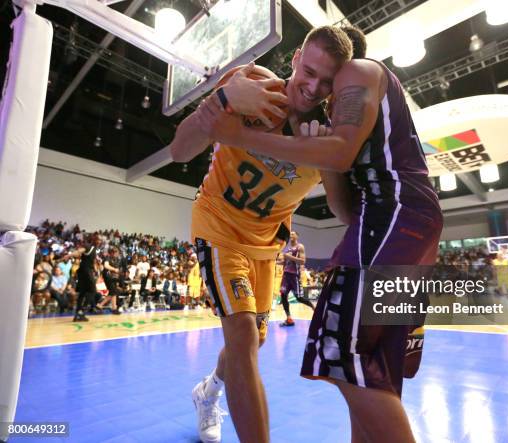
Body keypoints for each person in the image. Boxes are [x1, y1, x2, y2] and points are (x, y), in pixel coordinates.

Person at [198, 25, 442, 442]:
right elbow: (346, 209)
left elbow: (341, 151)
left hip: (393, 215)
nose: (319, 88)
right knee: (372, 370)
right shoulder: (357, 108)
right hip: (410, 225)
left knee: (340, 350)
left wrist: (240, 135)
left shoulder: (360, 72)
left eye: (329, 79)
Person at [169, 26, 353, 443]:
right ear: (294, 60)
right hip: (217, 224)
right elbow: (180, 152)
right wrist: (221, 100)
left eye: (327, 81)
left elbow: (343, 212)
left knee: (254, 339)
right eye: (309, 71)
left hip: (266, 246)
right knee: (243, 334)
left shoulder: (328, 134)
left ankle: (208, 391)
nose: (313, 87)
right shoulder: (250, 86)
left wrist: (330, 159)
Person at [279, 231, 314, 326]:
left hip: (294, 276)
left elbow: (302, 261)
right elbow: (284, 262)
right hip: (286, 275)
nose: (291, 235)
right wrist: (273, 261)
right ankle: (289, 319)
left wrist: (289, 257)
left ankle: (313, 308)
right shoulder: (287, 249)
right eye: (290, 234)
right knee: (283, 295)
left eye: (293, 234)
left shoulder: (300, 247)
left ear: (297, 236)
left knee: (299, 298)